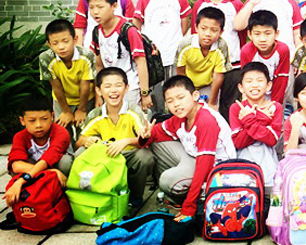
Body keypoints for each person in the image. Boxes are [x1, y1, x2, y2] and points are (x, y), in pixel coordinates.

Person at [139, 75, 236, 222]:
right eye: (170, 101)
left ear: (195, 96)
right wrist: (145, 136)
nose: (176, 104)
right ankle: (178, 196)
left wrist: (189, 207)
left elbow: (204, 165)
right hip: (195, 158)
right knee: (156, 143)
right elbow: (157, 132)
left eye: (181, 98)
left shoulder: (206, 120)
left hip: (218, 170)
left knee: (167, 180)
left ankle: (193, 199)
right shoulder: (182, 116)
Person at [76, 67, 155, 207]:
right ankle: (93, 194)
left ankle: (135, 196)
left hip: (128, 156)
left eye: (118, 85)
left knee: (145, 157)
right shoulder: (95, 114)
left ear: (126, 88)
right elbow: (78, 141)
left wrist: (127, 141)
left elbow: (142, 139)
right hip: (105, 157)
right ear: (98, 91)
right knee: (80, 153)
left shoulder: (133, 110)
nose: (113, 90)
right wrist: (87, 141)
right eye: (107, 86)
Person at [134, 0, 191, 112]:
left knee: (175, 92)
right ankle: (157, 122)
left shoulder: (180, 0)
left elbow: (184, 25)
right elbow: (136, 26)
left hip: (174, 57)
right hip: (153, 59)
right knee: (155, 97)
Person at [88, 0, 151, 111]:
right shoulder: (97, 31)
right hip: (108, 89)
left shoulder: (128, 30)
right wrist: (98, 94)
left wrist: (145, 93)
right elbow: (99, 65)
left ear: (114, 6)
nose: (95, 12)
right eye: (91, 7)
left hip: (130, 88)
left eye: (100, 7)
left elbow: (141, 62)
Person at [4, 97, 72, 207]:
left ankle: (64, 198)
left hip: (57, 172)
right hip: (42, 174)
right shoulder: (20, 137)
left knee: (66, 161)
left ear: (52, 116)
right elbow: (16, 165)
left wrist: (21, 181)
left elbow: (48, 158)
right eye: (32, 121)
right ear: (22, 121)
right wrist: (51, 172)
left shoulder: (60, 132)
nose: (39, 125)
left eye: (44, 119)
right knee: (17, 170)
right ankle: (30, 202)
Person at [39, 19, 96, 139]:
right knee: (62, 134)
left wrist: (82, 109)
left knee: (85, 133)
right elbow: (56, 87)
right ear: (49, 44)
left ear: (75, 39)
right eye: (55, 43)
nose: (61, 47)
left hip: (86, 99)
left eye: (65, 41)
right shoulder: (45, 58)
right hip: (62, 101)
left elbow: (85, 85)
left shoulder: (87, 55)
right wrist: (65, 111)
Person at [228, 62, 282, 187]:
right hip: (243, 158)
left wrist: (248, 120)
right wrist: (262, 119)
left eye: (260, 80)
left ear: (268, 85)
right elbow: (238, 142)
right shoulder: (236, 108)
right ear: (241, 87)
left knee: (269, 191)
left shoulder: (275, 107)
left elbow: (271, 139)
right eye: (249, 81)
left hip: (268, 159)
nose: (254, 85)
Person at [190, 0, 244, 70]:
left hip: (232, 61)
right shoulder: (199, 4)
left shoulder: (236, 4)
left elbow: (242, 33)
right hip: (207, 62)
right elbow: (195, 33)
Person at [175, 6, 230, 109]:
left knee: (209, 111)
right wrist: (188, 92)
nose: (208, 34)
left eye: (214, 30)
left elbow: (218, 76)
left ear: (221, 32)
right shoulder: (185, 44)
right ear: (196, 28)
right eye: (203, 28)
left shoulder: (221, 46)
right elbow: (180, 71)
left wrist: (212, 102)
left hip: (209, 85)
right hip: (188, 83)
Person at [239, 10, 291, 106]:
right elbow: (247, 79)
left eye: (267, 33)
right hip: (254, 92)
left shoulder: (283, 50)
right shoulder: (246, 51)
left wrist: (274, 105)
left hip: (275, 93)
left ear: (276, 33)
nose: (262, 39)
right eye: (257, 34)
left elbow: (281, 80)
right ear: (250, 34)